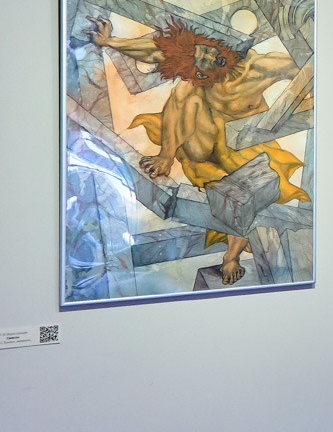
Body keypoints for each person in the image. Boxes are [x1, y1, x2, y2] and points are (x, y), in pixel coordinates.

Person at [89, 16, 309, 285]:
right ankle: (167, 156)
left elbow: (307, 66)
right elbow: (157, 51)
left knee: (245, 194)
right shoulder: (194, 86)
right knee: (185, 97)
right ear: (200, 73)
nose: (211, 54)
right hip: (203, 146)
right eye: (203, 58)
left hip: (248, 148)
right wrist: (110, 42)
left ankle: (231, 256)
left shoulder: (257, 68)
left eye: (208, 49)